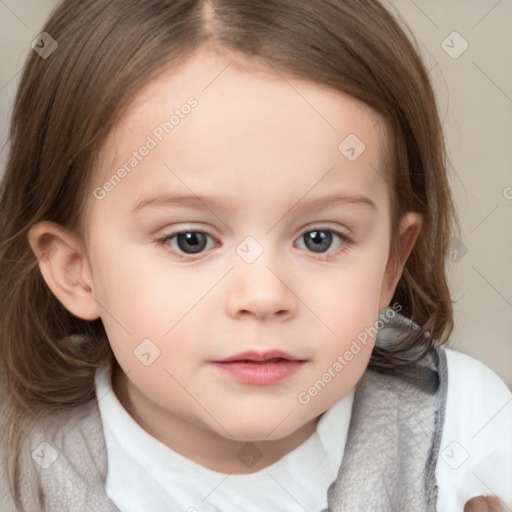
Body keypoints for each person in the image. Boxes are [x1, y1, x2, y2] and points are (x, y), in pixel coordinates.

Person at [0, 1, 510, 511]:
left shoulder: (467, 435)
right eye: (190, 240)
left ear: (391, 264)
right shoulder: (19, 460)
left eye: (320, 239)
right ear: (76, 271)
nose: (264, 296)